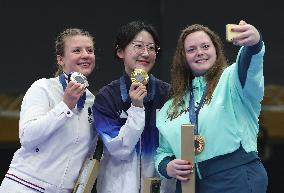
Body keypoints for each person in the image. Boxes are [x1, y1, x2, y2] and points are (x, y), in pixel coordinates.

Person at [155, 20, 268, 193]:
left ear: (216, 49)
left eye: (205, 46)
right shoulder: (172, 106)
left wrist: (254, 43)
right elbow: (163, 150)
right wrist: (167, 167)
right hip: (189, 185)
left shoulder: (233, 80)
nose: (199, 53)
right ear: (183, 58)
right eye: (191, 50)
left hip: (235, 178)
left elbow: (250, 66)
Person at [0, 28, 97, 193]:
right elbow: (27, 137)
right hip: (25, 186)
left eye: (90, 50)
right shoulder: (43, 88)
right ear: (61, 59)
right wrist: (65, 106)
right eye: (76, 50)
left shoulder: (92, 102)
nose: (85, 54)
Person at [92, 20, 175, 193]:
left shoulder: (169, 94)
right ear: (120, 51)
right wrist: (136, 108)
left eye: (152, 48)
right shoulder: (105, 98)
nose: (146, 53)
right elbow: (120, 149)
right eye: (138, 46)